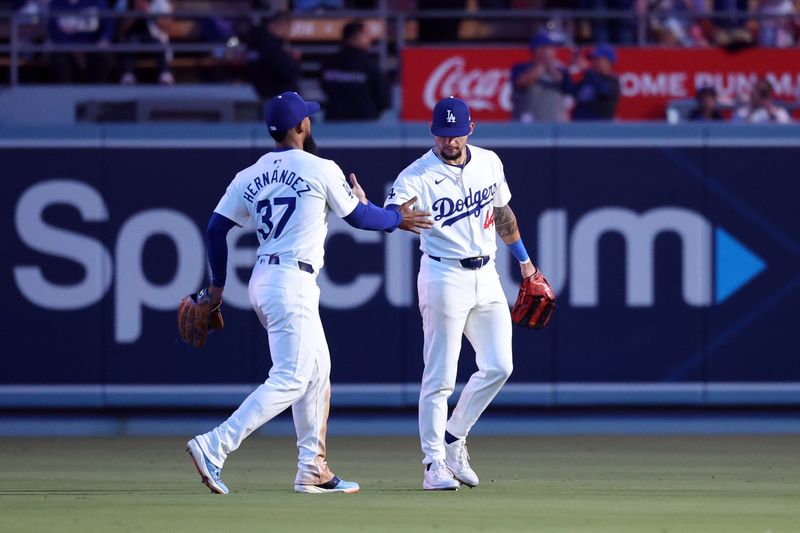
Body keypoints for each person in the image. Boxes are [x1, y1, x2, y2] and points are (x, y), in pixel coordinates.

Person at [186, 91, 433, 495]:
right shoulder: (320, 168)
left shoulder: (249, 175)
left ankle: (312, 468)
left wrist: (215, 287)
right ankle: (215, 444)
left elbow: (216, 228)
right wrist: (394, 217)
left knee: (317, 372)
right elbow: (358, 217)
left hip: (266, 280)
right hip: (291, 283)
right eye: (307, 118)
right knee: (291, 377)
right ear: (302, 126)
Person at [384, 96, 542, 491]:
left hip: (486, 273)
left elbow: (504, 215)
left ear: (470, 129)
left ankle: (454, 438)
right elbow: (393, 211)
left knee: (500, 365)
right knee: (440, 377)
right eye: (442, 133)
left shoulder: (489, 162)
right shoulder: (417, 174)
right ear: (432, 131)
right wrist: (395, 217)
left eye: (455, 133)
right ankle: (433, 464)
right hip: (442, 275)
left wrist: (525, 263)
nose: (449, 141)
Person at [320, 21, 390, 121]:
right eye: (366, 34)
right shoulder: (370, 65)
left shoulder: (329, 62)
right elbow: (383, 98)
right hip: (364, 123)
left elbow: (324, 88)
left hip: (334, 121)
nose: (370, 39)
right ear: (356, 36)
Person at [511, 31, 574, 123]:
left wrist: (552, 69)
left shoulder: (561, 71)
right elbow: (520, 83)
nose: (553, 52)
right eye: (549, 48)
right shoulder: (521, 68)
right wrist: (539, 70)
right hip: (528, 124)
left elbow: (567, 89)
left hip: (555, 126)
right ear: (538, 50)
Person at [47, 0, 114, 83]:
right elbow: (53, 30)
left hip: (93, 45)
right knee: (58, 56)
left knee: (103, 56)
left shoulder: (98, 2)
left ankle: (96, 90)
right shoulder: (56, 3)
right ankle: (66, 91)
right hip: (66, 47)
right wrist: (69, 47)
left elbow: (108, 25)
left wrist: (104, 39)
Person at [245, 11, 302, 103]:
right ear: (281, 25)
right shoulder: (267, 43)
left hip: (269, 92)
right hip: (274, 93)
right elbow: (286, 70)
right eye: (288, 27)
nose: (289, 31)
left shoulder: (261, 40)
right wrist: (294, 61)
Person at [115, 0, 174, 85]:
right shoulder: (123, 2)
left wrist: (149, 13)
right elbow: (119, 28)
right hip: (132, 40)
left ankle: (165, 74)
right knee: (130, 43)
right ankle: (128, 76)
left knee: (158, 44)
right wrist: (135, 13)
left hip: (153, 38)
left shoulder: (160, 3)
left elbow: (167, 26)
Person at [571, 44, 621, 120]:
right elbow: (571, 90)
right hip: (579, 126)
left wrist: (586, 70)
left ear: (608, 61)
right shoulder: (590, 78)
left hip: (600, 128)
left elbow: (604, 91)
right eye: (593, 59)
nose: (594, 62)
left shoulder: (613, 81)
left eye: (597, 59)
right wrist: (567, 70)